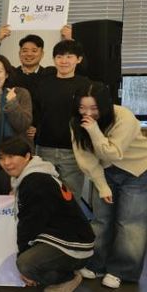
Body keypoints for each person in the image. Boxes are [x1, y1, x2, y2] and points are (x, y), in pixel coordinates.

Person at [71, 84, 147, 288]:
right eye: (82, 108)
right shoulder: (76, 122)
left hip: (138, 170)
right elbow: (86, 158)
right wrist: (102, 186)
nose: (88, 113)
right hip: (106, 172)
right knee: (101, 219)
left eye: (94, 108)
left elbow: (113, 153)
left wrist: (94, 131)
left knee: (131, 223)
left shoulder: (124, 116)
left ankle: (121, 271)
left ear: (105, 105)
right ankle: (96, 264)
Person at [0, 136, 95, 292]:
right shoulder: (33, 175)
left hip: (73, 243)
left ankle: (67, 278)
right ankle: (61, 267)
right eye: (2, 158)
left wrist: (22, 258)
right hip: (64, 236)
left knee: (26, 264)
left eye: (11, 157)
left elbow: (31, 223)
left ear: (27, 156)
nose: (6, 163)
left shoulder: (36, 182)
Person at [34, 39, 92, 200]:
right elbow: (36, 111)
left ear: (78, 59)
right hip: (44, 147)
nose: (64, 61)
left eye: (69, 56)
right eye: (59, 56)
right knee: (44, 194)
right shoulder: (43, 83)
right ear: (54, 59)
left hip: (73, 150)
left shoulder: (85, 85)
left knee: (71, 197)